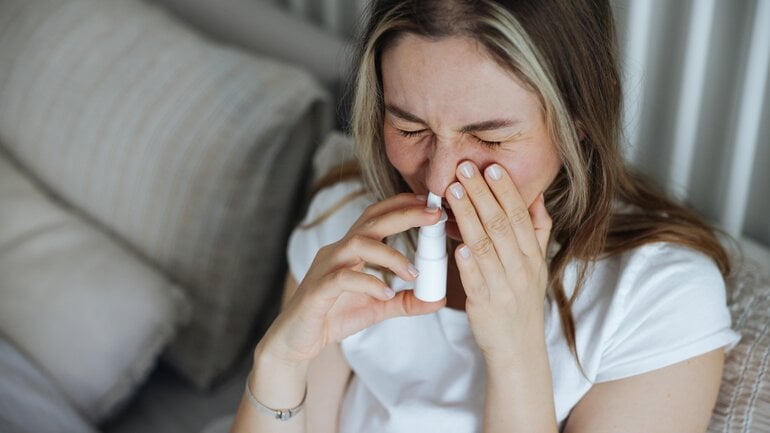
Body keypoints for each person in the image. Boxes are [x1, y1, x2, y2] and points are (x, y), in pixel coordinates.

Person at [230, 1, 740, 432]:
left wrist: (516, 349)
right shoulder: (349, 220)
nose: (438, 179)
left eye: (490, 138)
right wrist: (279, 360)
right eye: (409, 128)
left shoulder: (659, 297)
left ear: (581, 118)